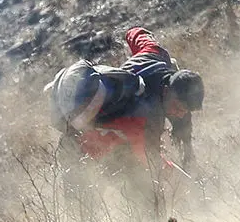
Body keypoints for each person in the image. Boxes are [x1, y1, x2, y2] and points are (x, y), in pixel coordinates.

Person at [46, 27, 203, 176]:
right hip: (85, 152)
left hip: (78, 137)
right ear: (167, 90)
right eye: (177, 107)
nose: (180, 114)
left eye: (186, 110)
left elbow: (136, 33)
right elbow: (151, 160)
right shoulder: (147, 114)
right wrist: (182, 180)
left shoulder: (154, 54)